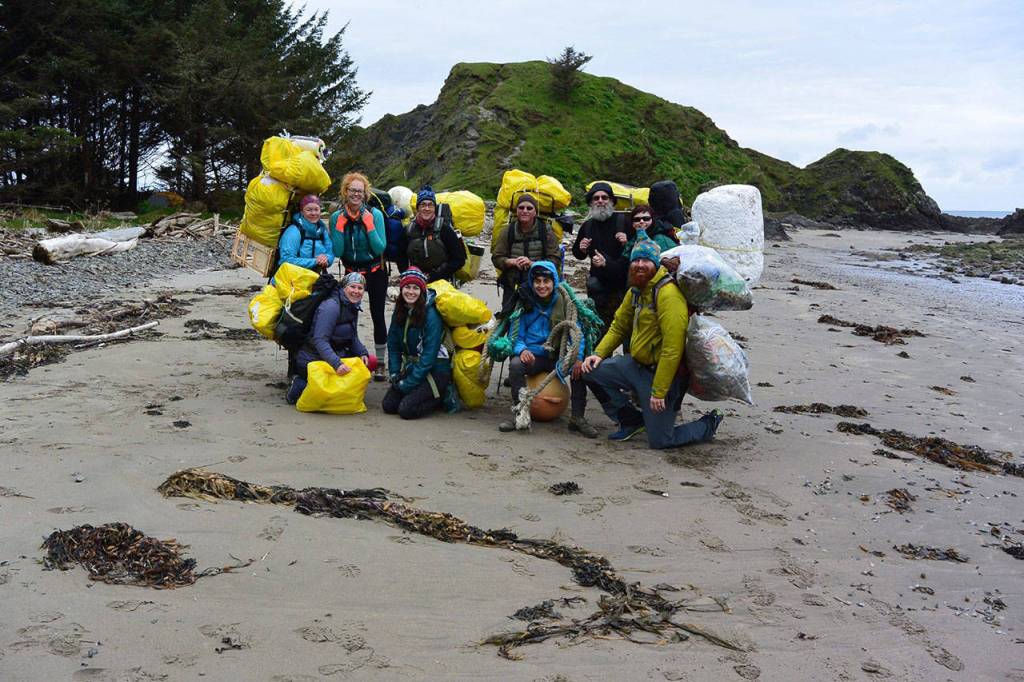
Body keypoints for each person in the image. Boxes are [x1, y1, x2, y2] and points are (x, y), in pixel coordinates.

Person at [580, 231, 723, 448]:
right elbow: (619, 325)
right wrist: (598, 354)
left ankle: (708, 424)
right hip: (636, 364)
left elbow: (672, 350)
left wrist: (659, 392)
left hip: (665, 375)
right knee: (590, 371)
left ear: (656, 264)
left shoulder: (668, 295)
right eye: (636, 260)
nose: (639, 264)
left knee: (660, 441)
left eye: (646, 260)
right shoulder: (636, 289)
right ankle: (631, 421)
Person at [498, 261, 598, 438]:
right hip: (534, 356)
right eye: (537, 281)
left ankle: (577, 418)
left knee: (579, 369)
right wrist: (522, 351)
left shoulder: (567, 302)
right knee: (515, 365)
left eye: (546, 281)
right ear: (532, 282)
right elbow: (516, 336)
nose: (541, 286)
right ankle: (519, 414)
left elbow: (578, 333)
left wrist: (578, 357)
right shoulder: (524, 302)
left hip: (557, 356)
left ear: (554, 282)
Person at [330, 172, 388, 382]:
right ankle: (347, 356)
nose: (356, 194)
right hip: (351, 272)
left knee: (378, 315)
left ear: (366, 194)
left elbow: (380, 247)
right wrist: (339, 225)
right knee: (347, 316)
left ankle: (380, 363)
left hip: (375, 271)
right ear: (345, 192)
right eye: (352, 190)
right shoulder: (337, 217)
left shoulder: (375, 214)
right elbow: (337, 250)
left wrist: (369, 224)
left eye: (360, 191)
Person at [286, 272, 372, 404]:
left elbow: (352, 336)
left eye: (360, 288)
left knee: (371, 361)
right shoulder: (331, 307)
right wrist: (337, 364)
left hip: (336, 353)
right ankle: (299, 384)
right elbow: (319, 340)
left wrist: (362, 352)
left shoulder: (353, 305)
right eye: (352, 287)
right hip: (312, 358)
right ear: (344, 288)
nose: (356, 291)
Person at [275, 194, 333, 378]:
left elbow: (331, 254)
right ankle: (293, 370)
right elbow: (285, 260)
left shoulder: (322, 230)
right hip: (295, 285)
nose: (313, 213)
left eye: (316, 209)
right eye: (309, 209)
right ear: (302, 211)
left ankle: (308, 367)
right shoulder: (294, 231)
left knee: (314, 326)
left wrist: (326, 260)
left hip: (317, 283)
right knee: (296, 326)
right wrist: (314, 261)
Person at [383, 267, 452, 420]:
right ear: (401, 289)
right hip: (412, 367)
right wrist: (395, 373)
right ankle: (418, 392)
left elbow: (429, 355)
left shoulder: (431, 315)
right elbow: (393, 344)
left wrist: (408, 384)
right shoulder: (400, 310)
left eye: (415, 288)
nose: (411, 292)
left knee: (406, 410)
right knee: (389, 406)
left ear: (421, 291)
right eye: (407, 287)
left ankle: (439, 396)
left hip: (436, 370)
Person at [571, 182, 634, 333]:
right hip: (598, 289)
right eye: (596, 198)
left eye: (604, 197)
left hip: (623, 287)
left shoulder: (624, 221)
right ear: (591, 203)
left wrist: (627, 242)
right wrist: (581, 248)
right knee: (599, 333)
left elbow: (638, 250)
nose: (600, 201)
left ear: (612, 201)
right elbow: (578, 255)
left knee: (626, 333)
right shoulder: (587, 226)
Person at [491, 194, 562, 315]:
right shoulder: (507, 231)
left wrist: (533, 264)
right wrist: (510, 262)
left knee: (538, 318)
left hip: (540, 285)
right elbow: (496, 258)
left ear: (535, 212)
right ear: (516, 211)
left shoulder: (546, 231)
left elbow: (555, 259)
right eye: (521, 207)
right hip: (512, 284)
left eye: (529, 208)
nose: (525, 211)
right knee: (508, 318)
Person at [405, 186, 466, 283]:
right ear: (418, 208)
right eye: (423, 205)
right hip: (416, 281)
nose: (427, 208)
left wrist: (434, 276)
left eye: (430, 205)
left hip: (442, 282)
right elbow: (401, 256)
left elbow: (459, 260)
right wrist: (408, 274)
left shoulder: (445, 229)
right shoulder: (409, 229)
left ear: (435, 208)